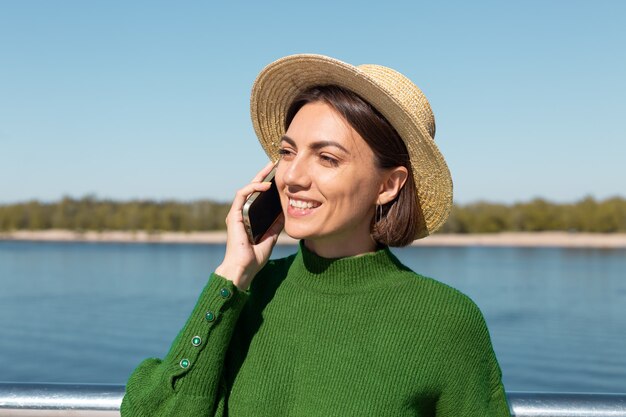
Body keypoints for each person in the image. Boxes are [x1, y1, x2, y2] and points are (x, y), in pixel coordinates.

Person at [121, 54, 511, 416]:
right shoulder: (248, 293)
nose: (292, 177)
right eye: (288, 152)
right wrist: (232, 274)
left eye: (327, 158)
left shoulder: (445, 320)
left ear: (389, 185)